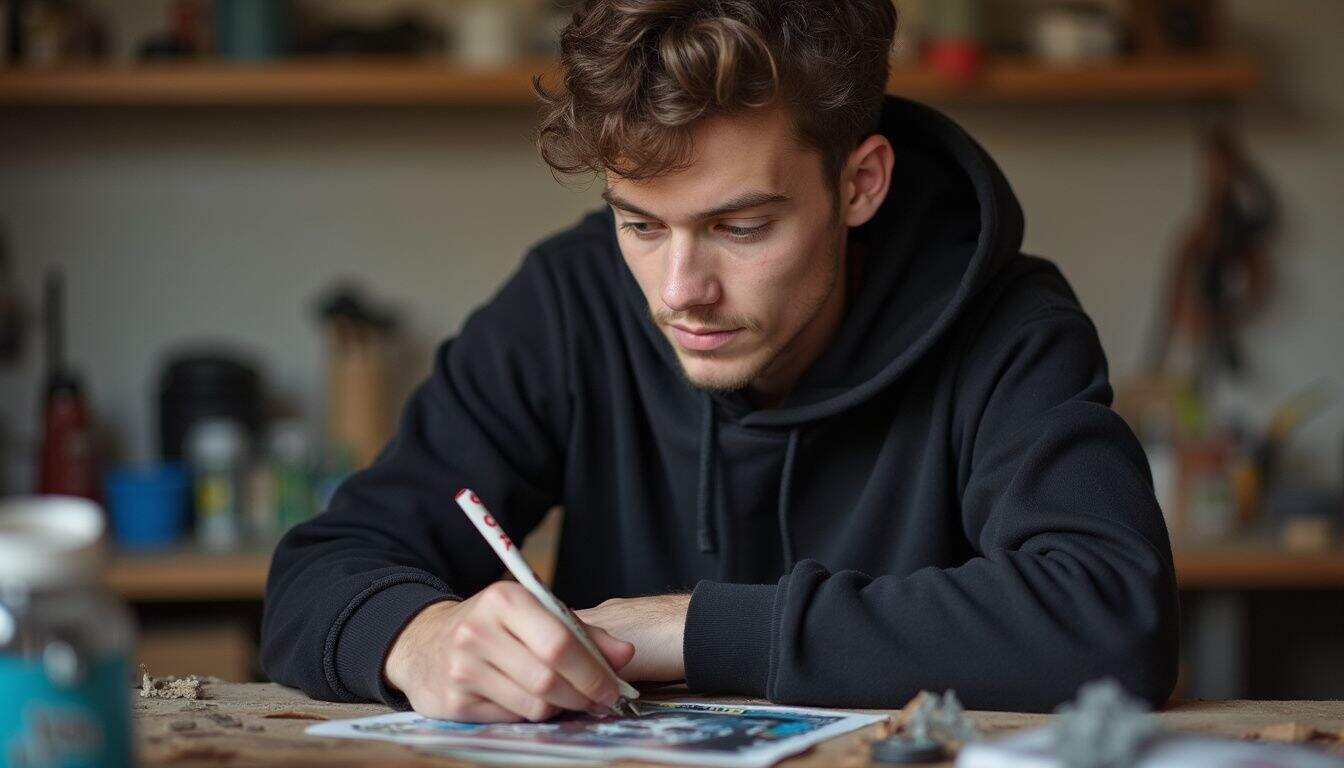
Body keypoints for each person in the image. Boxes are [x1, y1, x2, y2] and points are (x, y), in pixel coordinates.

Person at [261, 0, 1179, 722]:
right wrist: (418, 639)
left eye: (740, 227)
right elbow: (321, 571)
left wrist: (689, 630)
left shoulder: (1008, 326)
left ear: (860, 183)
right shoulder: (569, 301)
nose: (678, 289)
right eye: (640, 224)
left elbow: (1109, 615)